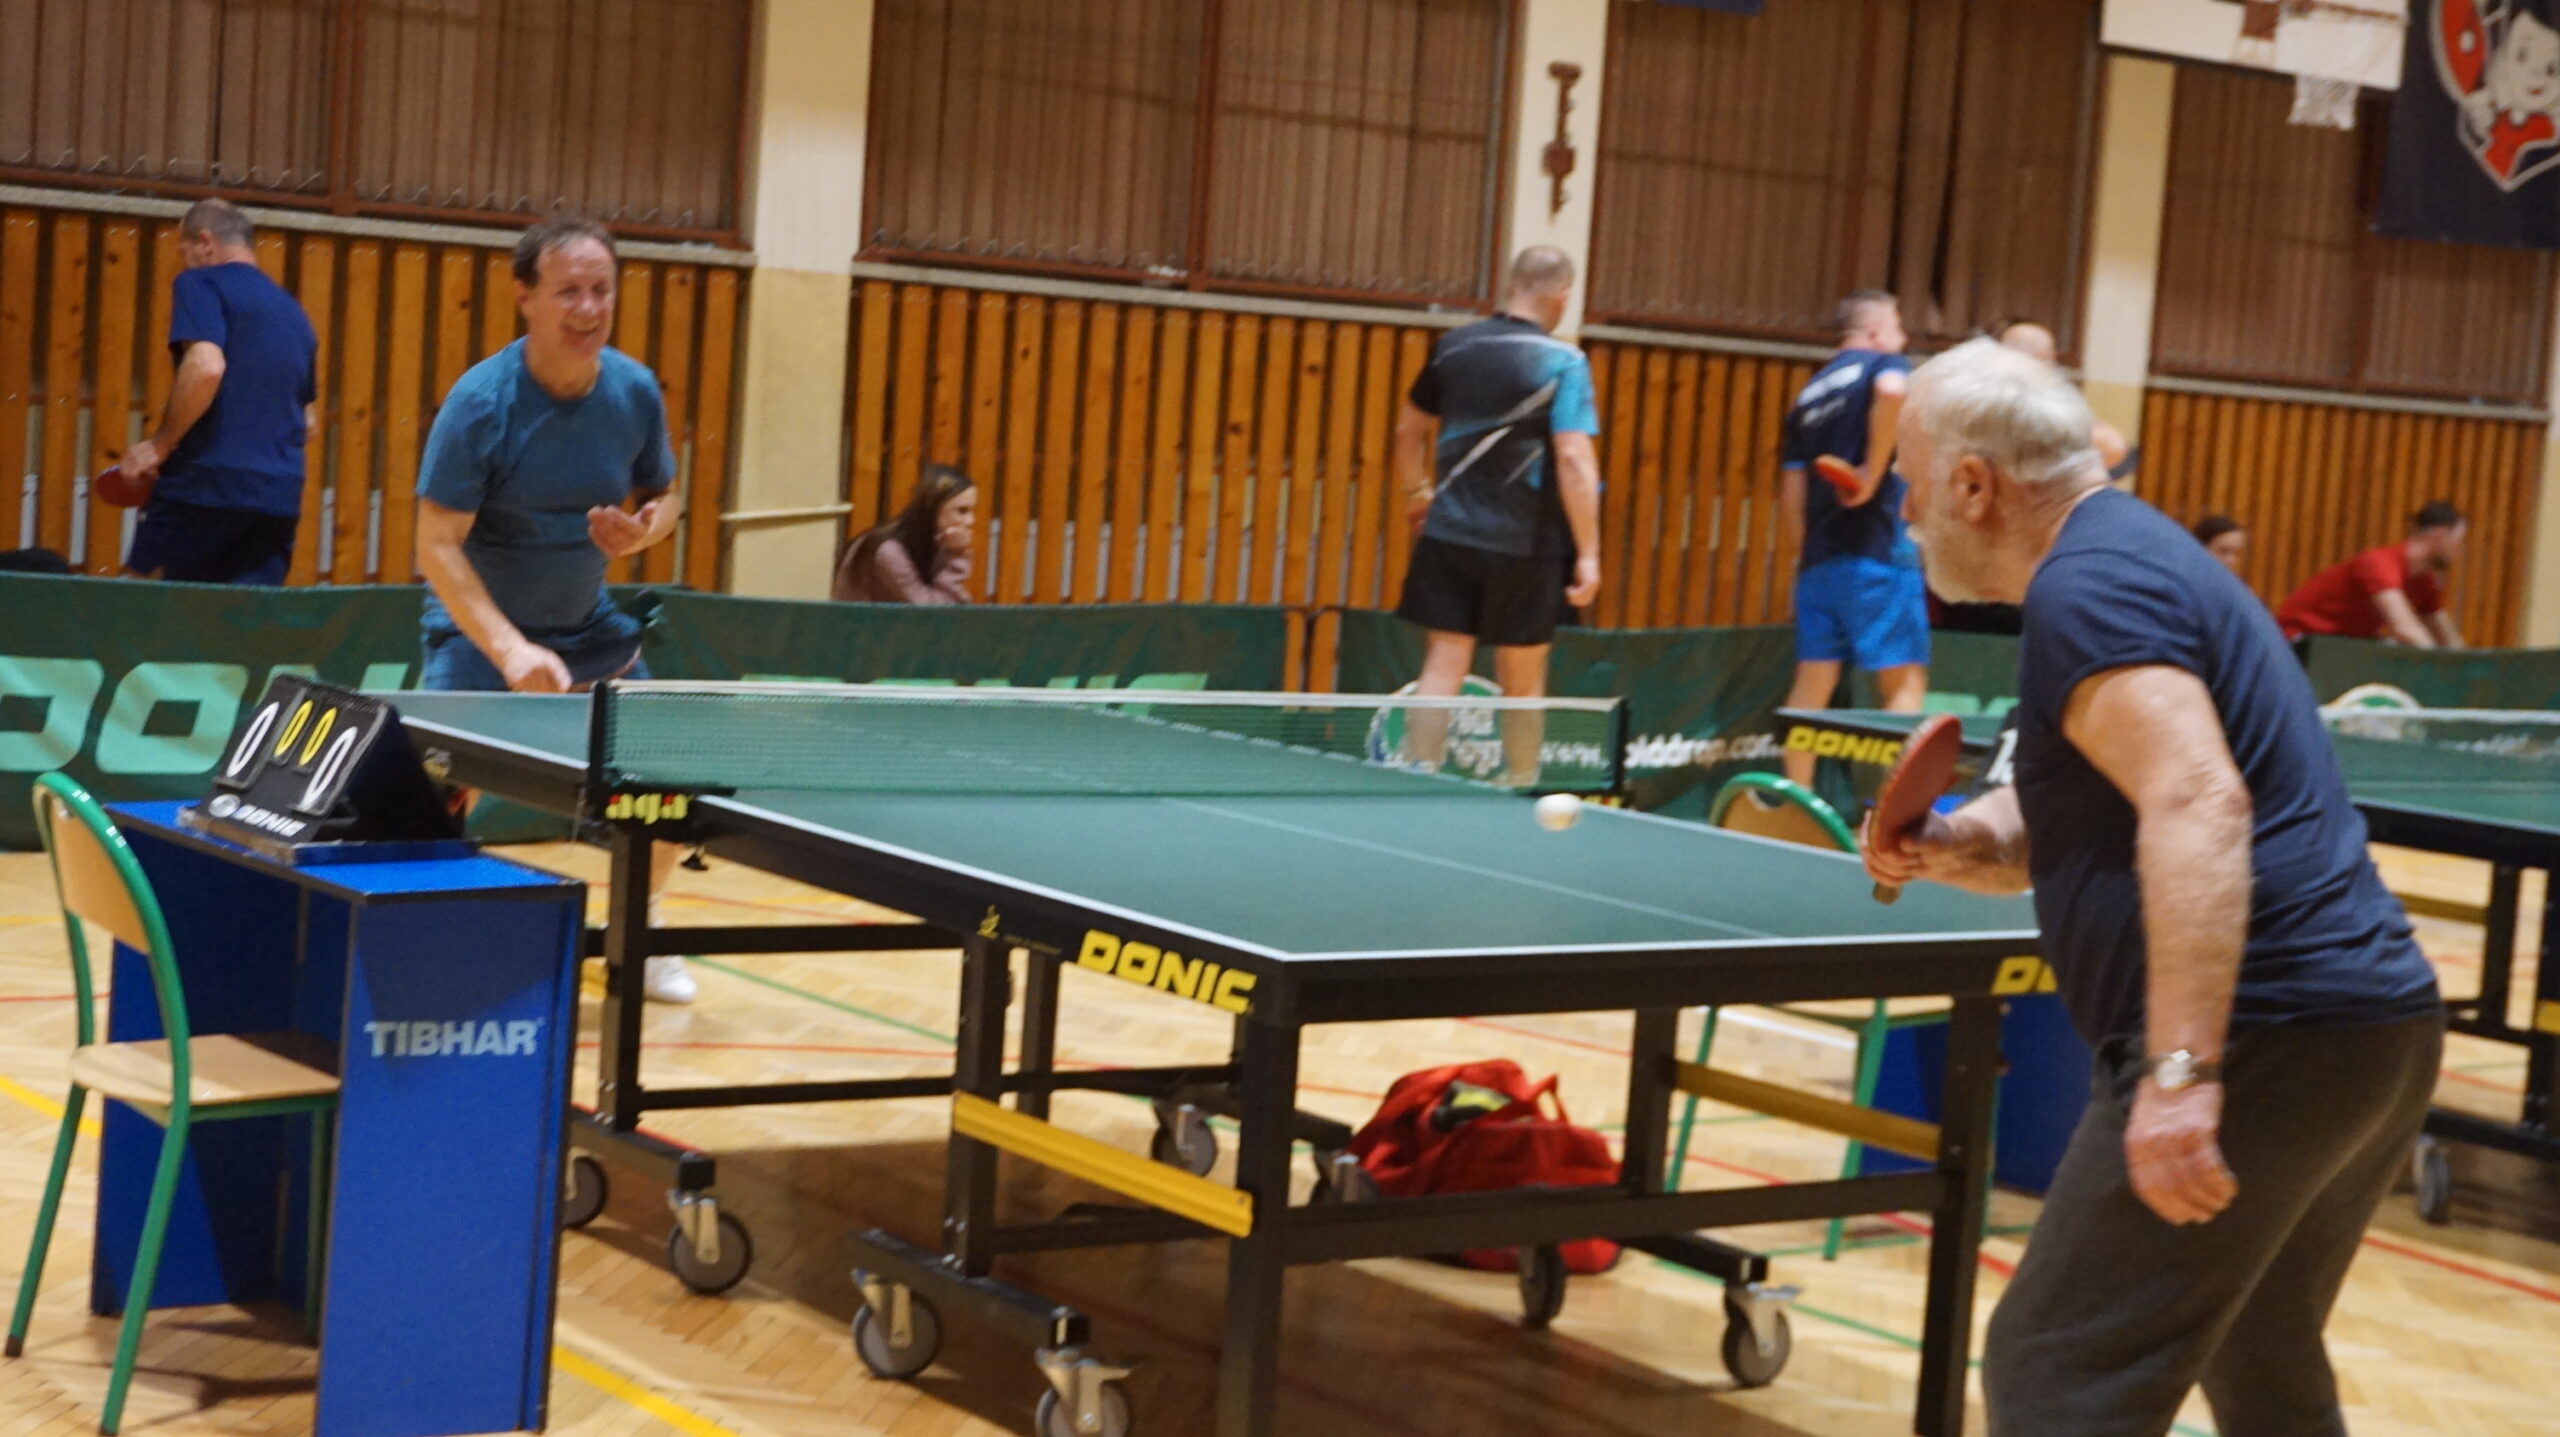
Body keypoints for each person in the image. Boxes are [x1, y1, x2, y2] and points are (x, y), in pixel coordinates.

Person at [1871, 338, 2442, 1437]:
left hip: (2265, 1032)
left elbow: (2196, 798)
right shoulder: (2125, 560)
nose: (1903, 512)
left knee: (2054, 1372)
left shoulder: (2092, 589)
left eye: (1910, 481)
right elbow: (2082, 806)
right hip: (2365, 1032)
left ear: (1974, 485)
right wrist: (1956, 840)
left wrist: (2181, 1074)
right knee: (2259, 1351)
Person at [414, 214, 694, 1004]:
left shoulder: (632, 391)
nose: (588, 307)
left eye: (602, 290)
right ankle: (424, 949)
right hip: (480, 638)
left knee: (672, 784)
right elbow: (436, 545)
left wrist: (644, 532)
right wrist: (508, 649)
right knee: (430, 802)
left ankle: (641, 932)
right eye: (568, 290)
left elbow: (666, 495)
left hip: (588, 630)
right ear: (525, 297)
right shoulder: (482, 402)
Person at [1392, 246, 1601, 784]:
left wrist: (1418, 493)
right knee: (1522, 677)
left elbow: (1407, 432)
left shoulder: (1453, 348)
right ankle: (1521, 783)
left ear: (1511, 285)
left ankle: (1417, 779)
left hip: (1450, 533)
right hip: (1526, 544)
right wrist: (1589, 553)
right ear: (1562, 296)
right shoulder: (1564, 362)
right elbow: (1574, 459)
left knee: (1443, 663)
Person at [112, 198, 317, 584]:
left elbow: (207, 367)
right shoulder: (294, 313)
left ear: (205, 242)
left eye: (183, 251)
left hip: (204, 484)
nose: (184, 261)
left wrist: (160, 445)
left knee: (139, 602)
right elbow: (308, 423)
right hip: (278, 495)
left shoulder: (200, 282)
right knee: (243, 618)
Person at [1777, 290, 1925, 789]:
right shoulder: (1885, 363)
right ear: (1876, 331)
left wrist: (1803, 557)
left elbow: (1792, 489)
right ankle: (1897, 815)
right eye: (1898, 326)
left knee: (1812, 685)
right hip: (1878, 551)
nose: (1903, 337)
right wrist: (1871, 472)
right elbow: (1893, 392)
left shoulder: (1807, 394)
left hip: (1820, 560)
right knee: (1902, 683)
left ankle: (1796, 801)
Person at [2275, 504, 2467, 649]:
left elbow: (2449, 637)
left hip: (2341, 647)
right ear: (2439, 535)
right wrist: (2442, 668)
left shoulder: (2424, 582)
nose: (2460, 550)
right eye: (2458, 540)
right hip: (2300, 642)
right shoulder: (2380, 563)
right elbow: (2406, 629)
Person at [1996, 320, 2136, 482]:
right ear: (2043, 359)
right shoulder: (2043, 398)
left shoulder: (1985, 395)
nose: (2053, 365)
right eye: (2050, 359)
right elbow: (2113, 449)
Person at [834, 465, 976, 603]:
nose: (971, 520)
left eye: (971, 510)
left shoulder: (934, 543)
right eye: (962, 511)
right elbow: (933, 613)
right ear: (932, 508)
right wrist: (956, 556)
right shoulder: (888, 551)